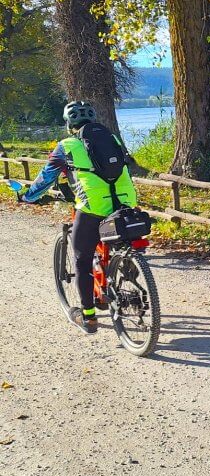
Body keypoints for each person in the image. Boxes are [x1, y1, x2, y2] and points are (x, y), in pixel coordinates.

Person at [21, 101, 138, 334]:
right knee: (122, 243)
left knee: (81, 260)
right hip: (126, 202)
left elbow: (45, 178)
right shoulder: (112, 138)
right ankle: (127, 271)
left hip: (93, 207)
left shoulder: (67, 145)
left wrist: (27, 197)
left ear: (69, 123)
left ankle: (89, 318)